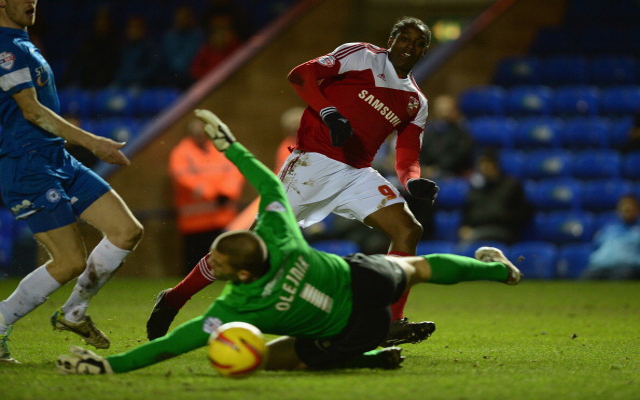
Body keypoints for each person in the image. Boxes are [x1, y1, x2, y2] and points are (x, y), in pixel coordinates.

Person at [56, 110, 522, 375]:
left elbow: (166, 348)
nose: (213, 263)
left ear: (240, 275)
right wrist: (232, 146)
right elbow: (269, 184)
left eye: (217, 261)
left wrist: (110, 367)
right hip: (365, 283)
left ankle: (374, 357)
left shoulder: (237, 309)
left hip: (354, 335)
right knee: (417, 266)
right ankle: (499, 269)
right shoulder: (282, 236)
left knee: (268, 357)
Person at [145, 17, 440, 339]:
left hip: (357, 173)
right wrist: (329, 112)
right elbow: (301, 74)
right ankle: (174, 298)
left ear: (424, 51)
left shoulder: (416, 101)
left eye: (418, 43)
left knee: (408, 230)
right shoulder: (362, 55)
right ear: (392, 38)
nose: (409, 47)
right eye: (404, 39)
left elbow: (407, 153)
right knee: (253, 246)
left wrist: (412, 180)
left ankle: (389, 323)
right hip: (312, 162)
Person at [0, 0, 144, 363]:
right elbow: (31, 110)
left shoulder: (23, 42)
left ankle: (73, 313)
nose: (31, 1)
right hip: (26, 163)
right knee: (69, 262)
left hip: (56, 158)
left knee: (127, 231)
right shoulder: (5, 48)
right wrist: (93, 142)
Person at [168, 117, 245, 275]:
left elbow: (234, 171)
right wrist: (212, 193)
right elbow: (182, 177)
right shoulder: (182, 152)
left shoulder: (220, 150)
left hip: (222, 217)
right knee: (194, 260)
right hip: (194, 221)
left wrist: (227, 192)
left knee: (222, 257)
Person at [458, 149, 533, 246]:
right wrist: (464, 226)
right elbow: (467, 211)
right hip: (477, 230)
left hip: (502, 230)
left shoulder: (511, 185)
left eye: (488, 163)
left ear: (495, 165)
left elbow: (522, 213)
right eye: (482, 164)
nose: (485, 168)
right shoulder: (477, 188)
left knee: (469, 244)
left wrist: (501, 217)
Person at [582, 194, 640, 280]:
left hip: (626, 267)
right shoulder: (609, 230)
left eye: (630, 206)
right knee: (586, 278)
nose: (626, 208)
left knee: (620, 276)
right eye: (623, 206)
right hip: (600, 266)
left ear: (637, 210)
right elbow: (596, 246)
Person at [62, 6, 121, 89]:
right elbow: (78, 64)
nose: (101, 24)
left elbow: (113, 67)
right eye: (99, 20)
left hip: (106, 83)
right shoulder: (88, 43)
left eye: (104, 21)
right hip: (86, 82)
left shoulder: (115, 44)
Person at [420, 94, 474, 180]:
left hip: (453, 172)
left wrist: (437, 168)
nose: (444, 114)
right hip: (429, 171)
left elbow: (459, 156)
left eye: (447, 110)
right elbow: (421, 151)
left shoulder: (462, 132)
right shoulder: (429, 131)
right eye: (441, 111)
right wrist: (423, 168)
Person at [158, 4, 204, 88]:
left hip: (191, 77)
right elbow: (168, 60)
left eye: (185, 16)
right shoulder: (169, 37)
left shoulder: (198, 36)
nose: (182, 19)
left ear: (191, 18)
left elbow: (190, 59)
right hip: (172, 77)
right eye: (179, 16)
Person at [189, 13, 242, 81]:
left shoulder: (237, 47)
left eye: (224, 29)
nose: (220, 34)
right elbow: (195, 70)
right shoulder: (206, 49)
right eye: (217, 30)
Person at [111, 15, 158, 89]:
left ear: (143, 29)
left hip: (141, 85)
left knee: (134, 91)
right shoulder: (123, 48)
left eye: (136, 27)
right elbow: (118, 69)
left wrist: (133, 78)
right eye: (131, 27)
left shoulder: (149, 48)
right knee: (111, 91)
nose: (133, 30)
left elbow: (150, 70)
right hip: (122, 83)